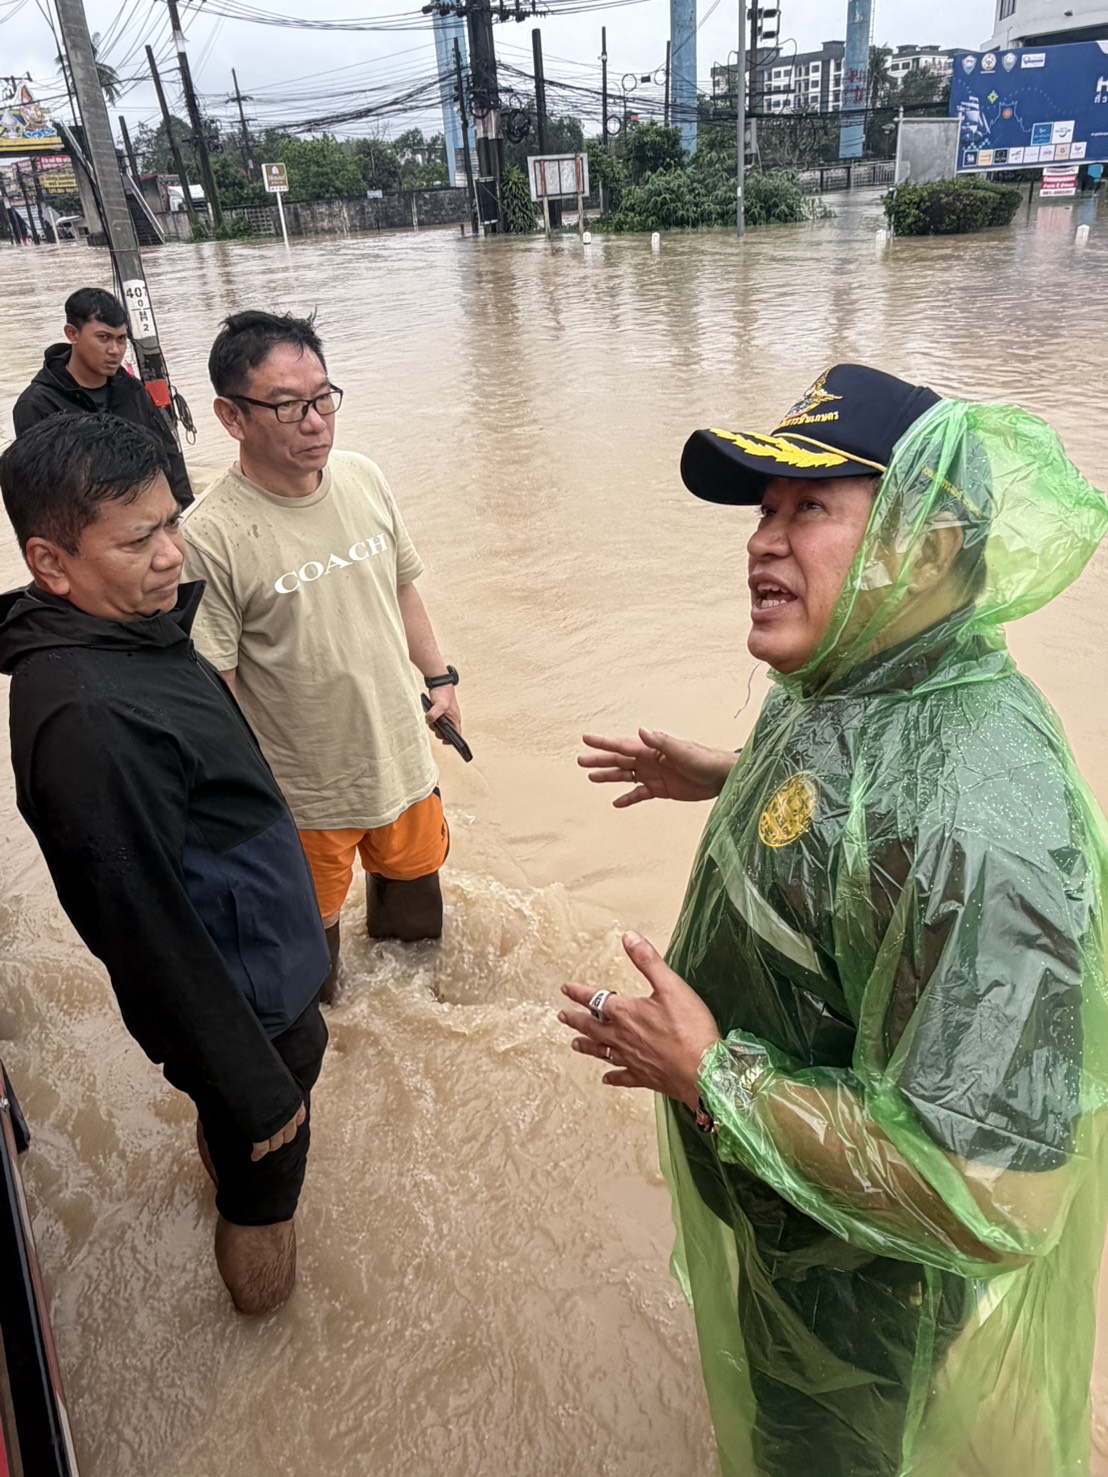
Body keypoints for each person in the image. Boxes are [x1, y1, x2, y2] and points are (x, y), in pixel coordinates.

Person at [560, 364, 1108, 1476]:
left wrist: (713, 1076)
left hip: (863, 1284)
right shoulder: (861, 679)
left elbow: (991, 1192)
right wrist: (728, 770)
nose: (763, 540)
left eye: (809, 508)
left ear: (930, 542)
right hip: (794, 1221)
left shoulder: (979, 825)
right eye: (764, 510)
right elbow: (866, 830)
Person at [0, 414, 330, 1316]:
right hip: (243, 1004)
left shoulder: (124, 630)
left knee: (243, 1143)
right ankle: (269, 1335)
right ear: (51, 562)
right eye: (139, 538)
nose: (171, 555)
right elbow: (140, 931)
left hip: (259, 960)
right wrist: (252, 1089)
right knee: (267, 1190)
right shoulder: (89, 724)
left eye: (174, 522)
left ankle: (228, 1149)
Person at [181, 310, 461, 1005]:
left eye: (323, 398)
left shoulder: (363, 477)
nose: (315, 422)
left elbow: (402, 588)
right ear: (230, 416)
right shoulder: (208, 535)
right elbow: (217, 683)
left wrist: (440, 679)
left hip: (399, 758)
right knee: (317, 976)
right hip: (305, 795)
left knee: (417, 934)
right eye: (287, 405)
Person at [12, 286, 193, 507]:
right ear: (72, 334)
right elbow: (40, 494)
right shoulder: (38, 405)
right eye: (103, 338)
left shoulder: (131, 389)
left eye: (121, 339)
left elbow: (168, 456)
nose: (115, 350)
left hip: (145, 513)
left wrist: (183, 512)